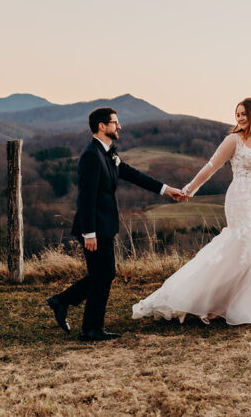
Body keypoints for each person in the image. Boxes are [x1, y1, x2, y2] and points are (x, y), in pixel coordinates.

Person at [132, 98, 251, 329]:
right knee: (242, 251)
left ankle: (236, 304)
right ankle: (200, 300)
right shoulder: (234, 140)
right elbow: (211, 166)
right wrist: (190, 189)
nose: (239, 118)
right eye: (237, 114)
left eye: (244, 114)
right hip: (240, 200)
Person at [47, 107, 186, 341]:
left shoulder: (108, 152)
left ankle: (64, 303)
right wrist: (89, 233)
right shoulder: (91, 155)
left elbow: (133, 174)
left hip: (105, 225)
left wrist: (165, 189)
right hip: (93, 227)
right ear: (102, 126)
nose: (119, 126)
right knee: (104, 274)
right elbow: (86, 197)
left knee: (102, 274)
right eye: (114, 122)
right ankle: (88, 327)